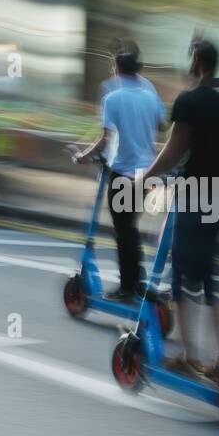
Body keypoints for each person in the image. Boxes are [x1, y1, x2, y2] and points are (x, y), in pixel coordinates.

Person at [142, 38, 219, 374]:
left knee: (184, 274)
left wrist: (146, 177)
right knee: (213, 276)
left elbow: (174, 149)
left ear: (197, 62)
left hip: (194, 194)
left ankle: (189, 356)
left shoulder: (188, 100)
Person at [73, 46, 165, 300]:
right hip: (148, 172)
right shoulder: (150, 95)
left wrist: (83, 157)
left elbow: (106, 138)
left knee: (124, 230)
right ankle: (137, 282)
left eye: (113, 67)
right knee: (130, 227)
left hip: (123, 171)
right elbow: (161, 124)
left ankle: (128, 287)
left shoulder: (112, 99)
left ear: (118, 68)